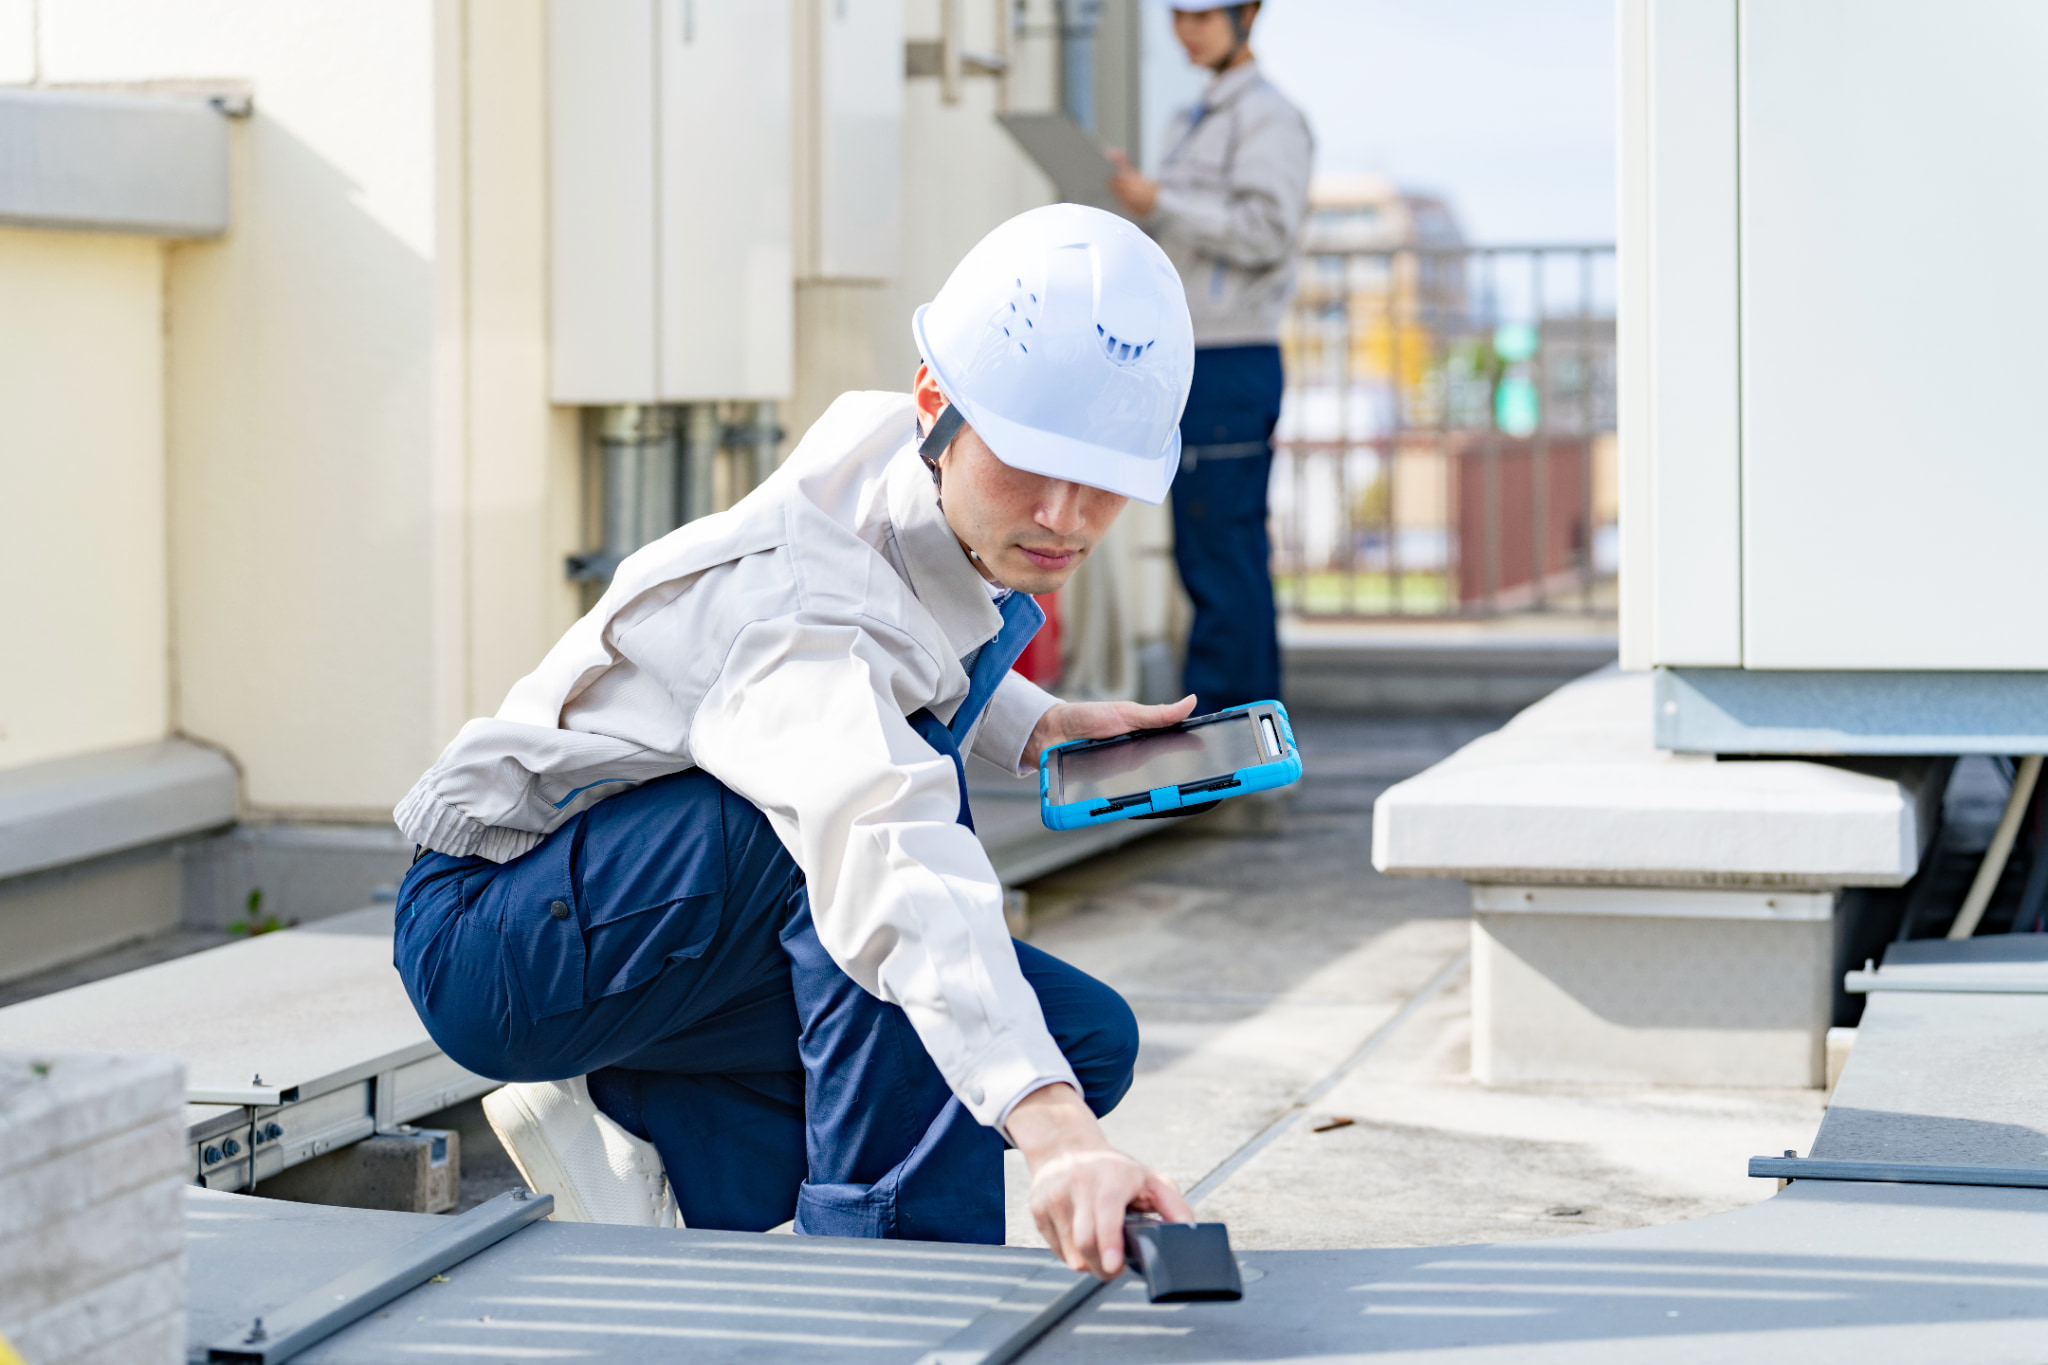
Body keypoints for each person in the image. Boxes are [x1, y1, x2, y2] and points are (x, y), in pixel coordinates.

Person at [391, 204, 1197, 1279]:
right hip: (499, 933)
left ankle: (654, 1138)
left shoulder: (898, 466)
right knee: (866, 862)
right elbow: (873, 815)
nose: (1061, 514)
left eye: (1101, 479)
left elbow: (894, 633)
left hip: (638, 926)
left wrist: (1029, 723)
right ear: (934, 404)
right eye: (1026, 461)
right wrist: (1057, 1141)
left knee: (1080, 1040)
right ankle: (879, 1293)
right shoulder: (806, 608)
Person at [1107, 0, 1311, 714]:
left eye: (1203, 13)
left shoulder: (1268, 118)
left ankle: (1238, 740)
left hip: (1233, 355)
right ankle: (1231, 742)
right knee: (1204, 554)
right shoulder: (1192, 119)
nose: (1188, 28)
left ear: (1247, 13)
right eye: (1178, 14)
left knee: (1225, 557)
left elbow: (1266, 231)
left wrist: (1161, 200)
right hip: (1193, 356)